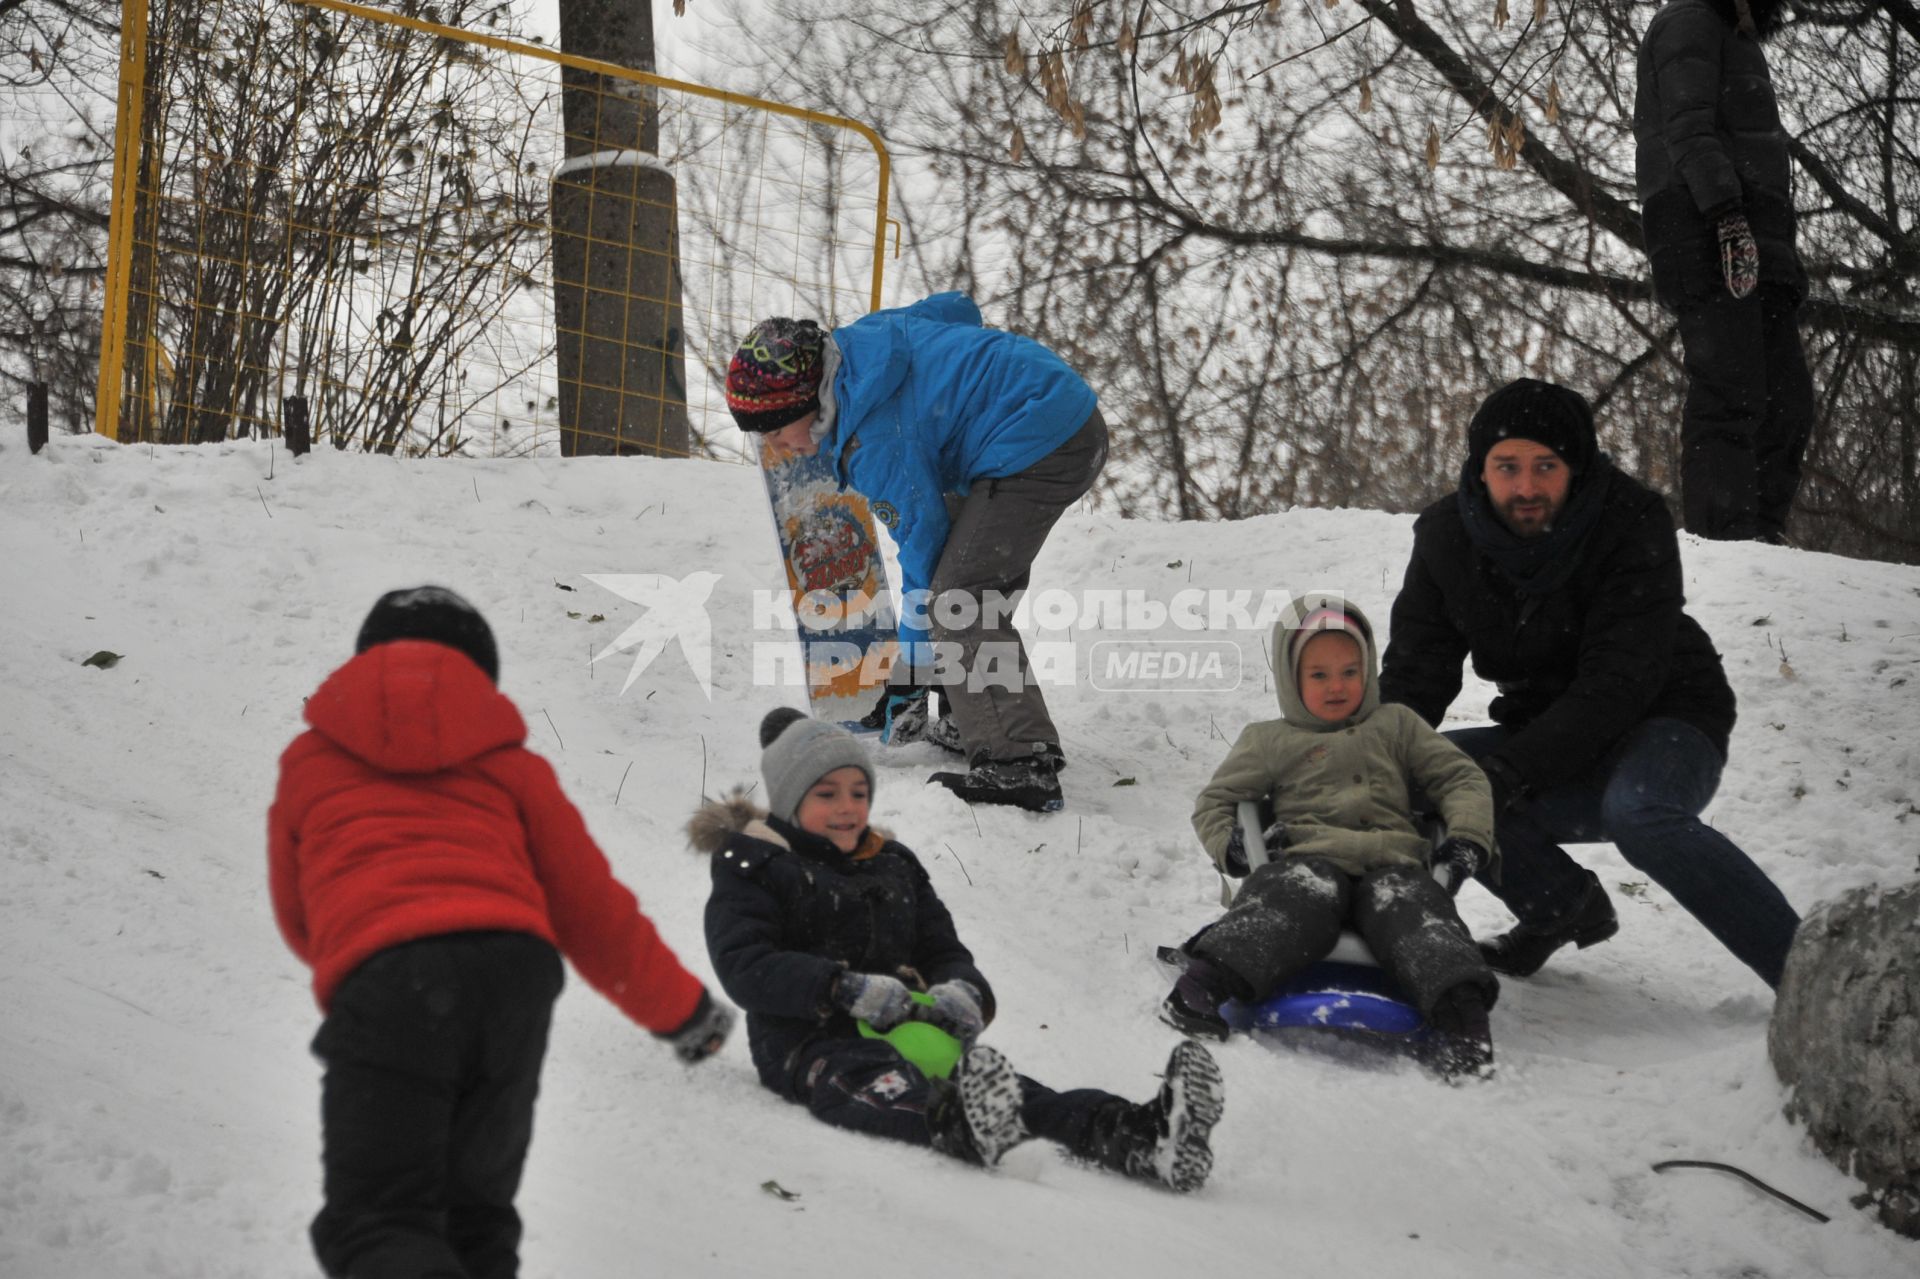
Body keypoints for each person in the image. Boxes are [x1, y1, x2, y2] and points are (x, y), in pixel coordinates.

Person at [268, 586, 734, 1279]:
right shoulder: (511, 766)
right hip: (512, 973)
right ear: (478, 679)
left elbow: (296, 911)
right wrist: (684, 1011)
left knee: (378, 1218)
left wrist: (365, 961)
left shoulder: (311, 760)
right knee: (475, 1215)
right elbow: (590, 906)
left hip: (387, 977)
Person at [689, 706, 1224, 1190]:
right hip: (811, 1043)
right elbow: (745, 964)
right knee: (871, 1084)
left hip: (913, 1027)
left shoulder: (892, 865)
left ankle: (1143, 1136)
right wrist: (841, 989)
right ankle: (958, 1123)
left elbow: (940, 946)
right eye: (826, 794)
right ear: (787, 802)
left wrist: (964, 993)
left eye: (858, 792)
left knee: (1023, 1095)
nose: (847, 807)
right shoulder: (757, 869)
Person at [1377, 379, 1802, 989]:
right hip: (1546, 732)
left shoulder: (1630, 521)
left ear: (1574, 467)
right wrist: (1367, 757)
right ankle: (1558, 904)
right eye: (1508, 466)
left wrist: (1510, 770)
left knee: (1638, 814)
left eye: (1545, 466)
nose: (1526, 487)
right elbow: (1417, 671)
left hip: (1667, 721)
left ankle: (1806, 971)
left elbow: (1619, 681)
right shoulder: (1447, 538)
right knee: (1414, 774)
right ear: (1480, 467)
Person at [724, 293, 1108, 813]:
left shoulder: (874, 441)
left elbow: (922, 554)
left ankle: (1018, 763)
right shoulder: (864, 343)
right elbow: (956, 310)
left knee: (958, 595)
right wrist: (969, 372)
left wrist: (908, 669)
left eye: (774, 430)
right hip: (1051, 408)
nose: (775, 448)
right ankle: (965, 709)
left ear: (805, 403)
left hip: (1041, 443)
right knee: (968, 573)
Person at [1161, 595, 1501, 1077]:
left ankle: (1462, 1019)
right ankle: (1205, 983)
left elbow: (1460, 778)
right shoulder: (1269, 740)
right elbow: (1214, 802)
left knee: (1422, 918)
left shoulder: (1397, 724)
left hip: (1393, 866)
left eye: (1349, 670)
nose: (1337, 686)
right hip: (1308, 859)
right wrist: (1232, 846)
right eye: (1319, 675)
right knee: (1287, 901)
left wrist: (1467, 837)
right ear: (1290, 678)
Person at [1634, 0, 1812, 543]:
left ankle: (1764, 536)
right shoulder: (1689, 19)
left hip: (1757, 231)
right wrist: (1726, 214)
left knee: (1788, 400)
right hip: (1706, 228)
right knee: (1729, 390)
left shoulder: (1736, 36)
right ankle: (1729, 544)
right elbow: (1686, 128)